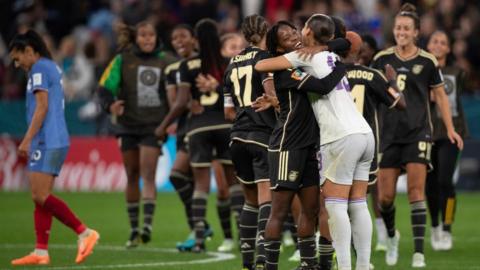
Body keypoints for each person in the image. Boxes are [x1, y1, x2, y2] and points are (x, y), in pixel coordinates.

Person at [256, 14, 375, 270]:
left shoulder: (311, 57)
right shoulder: (289, 66)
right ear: (278, 47)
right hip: (289, 144)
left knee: (311, 210)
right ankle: (269, 266)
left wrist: (323, 47)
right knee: (280, 210)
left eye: (294, 32)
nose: (294, 36)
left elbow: (343, 42)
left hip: (314, 144)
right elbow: (320, 86)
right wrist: (341, 65)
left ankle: (309, 264)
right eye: (286, 37)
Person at [371, 4, 464, 267]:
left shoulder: (427, 61)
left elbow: (441, 97)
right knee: (385, 198)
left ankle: (419, 252)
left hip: (418, 133)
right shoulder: (381, 59)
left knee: (415, 191)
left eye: (406, 28)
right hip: (388, 135)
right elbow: (371, 94)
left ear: (416, 32)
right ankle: (391, 238)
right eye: (398, 27)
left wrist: (449, 128)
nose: (401, 32)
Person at [9, 29, 99, 266]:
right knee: (41, 198)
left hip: (46, 139)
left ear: (29, 51)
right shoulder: (51, 66)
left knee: (39, 195)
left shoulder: (39, 68)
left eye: (18, 58)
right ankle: (40, 252)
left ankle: (84, 231)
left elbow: (42, 107)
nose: (17, 64)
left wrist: (28, 139)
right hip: (55, 137)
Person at [155, 18, 242, 253]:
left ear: (196, 39)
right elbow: (237, 96)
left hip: (198, 128)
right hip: (226, 126)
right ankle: (245, 240)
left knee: (201, 185)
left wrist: (163, 125)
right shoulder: (227, 64)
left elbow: (182, 102)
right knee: (234, 183)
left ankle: (200, 240)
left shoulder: (188, 66)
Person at [98, 21, 177, 248]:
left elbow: (184, 82)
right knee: (131, 174)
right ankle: (133, 229)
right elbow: (104, 88)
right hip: (127, 125)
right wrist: (110, 105)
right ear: (135, 38)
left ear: (156, 37)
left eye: (151, 35)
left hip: (154, 126)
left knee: (148, 172)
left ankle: (147, 227)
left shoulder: (167, 61)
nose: (147, 39)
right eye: (143, 35)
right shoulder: (122, 60)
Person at [223, 14, 276, 269]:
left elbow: (228, 111)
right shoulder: (265, 59)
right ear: (266, 32)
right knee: (267, 199)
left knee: (249, 201)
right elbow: (270, 95)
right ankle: (264, 258)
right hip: (261, 135)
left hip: (237, 137)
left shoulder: (232, 63)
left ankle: (246, 261)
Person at [426, 30, 468, 251]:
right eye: (435, 41)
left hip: (452, 133)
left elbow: (471, 82)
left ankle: (447, 227)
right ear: (428, 45)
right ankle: (434, 226)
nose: (439, 45)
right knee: (430, 184)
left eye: (443, 42)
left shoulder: (458, 72)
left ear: (448, 48)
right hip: (426, 132)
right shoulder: (420, 71)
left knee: (445, 182)